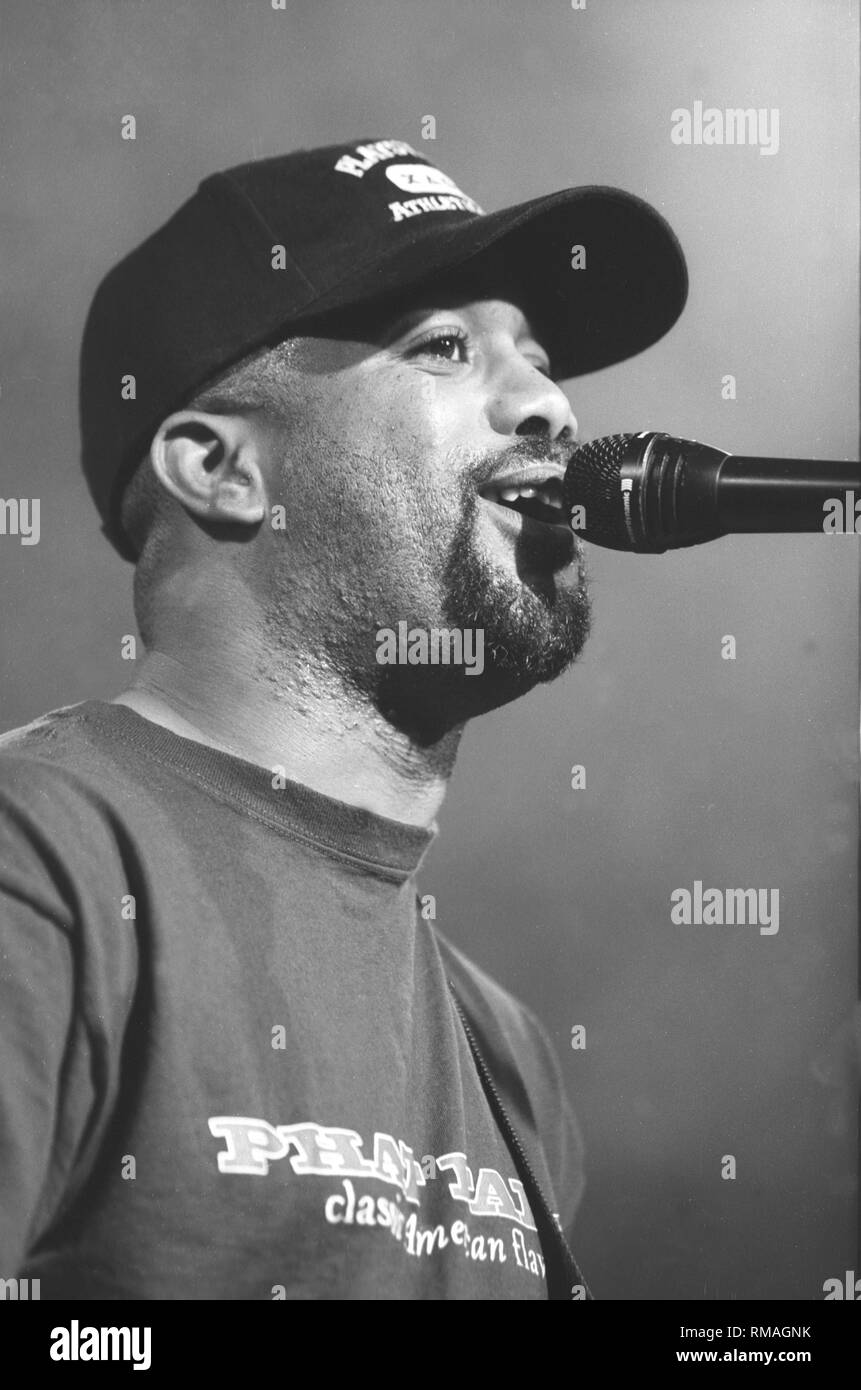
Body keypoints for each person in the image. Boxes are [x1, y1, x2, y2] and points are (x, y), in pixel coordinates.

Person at [0, 137, 687, 1300]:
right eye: (445, 349)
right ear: (222, 469)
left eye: (540, 358)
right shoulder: (42, 861)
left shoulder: (508, 1057)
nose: (551, 407)